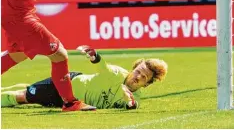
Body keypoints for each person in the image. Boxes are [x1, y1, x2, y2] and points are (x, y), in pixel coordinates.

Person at [1, 45, 168, 110]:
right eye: (138, 71)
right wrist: (95, 56)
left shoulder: (135, 97)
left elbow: (132, 106)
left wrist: (130, 101)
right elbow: (103, 67)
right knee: (23, 98)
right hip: (68, 85)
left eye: (144, 77)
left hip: (72, 103)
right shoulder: (117, 73)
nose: (138, 76)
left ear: (146, 84)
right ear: (134, 68)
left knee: (31, 93)